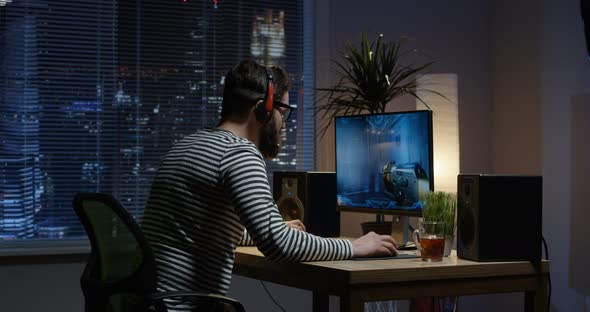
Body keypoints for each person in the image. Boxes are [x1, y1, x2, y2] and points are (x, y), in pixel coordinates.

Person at [141, 60, 397, 308]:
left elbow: (200, 227)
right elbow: (279, 245)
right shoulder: (238, 152)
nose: (283, 124)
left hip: (153, 304)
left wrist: (268, 228)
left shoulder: (188, 145)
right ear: (263, 109)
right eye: (283, 113)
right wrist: (353, 245)